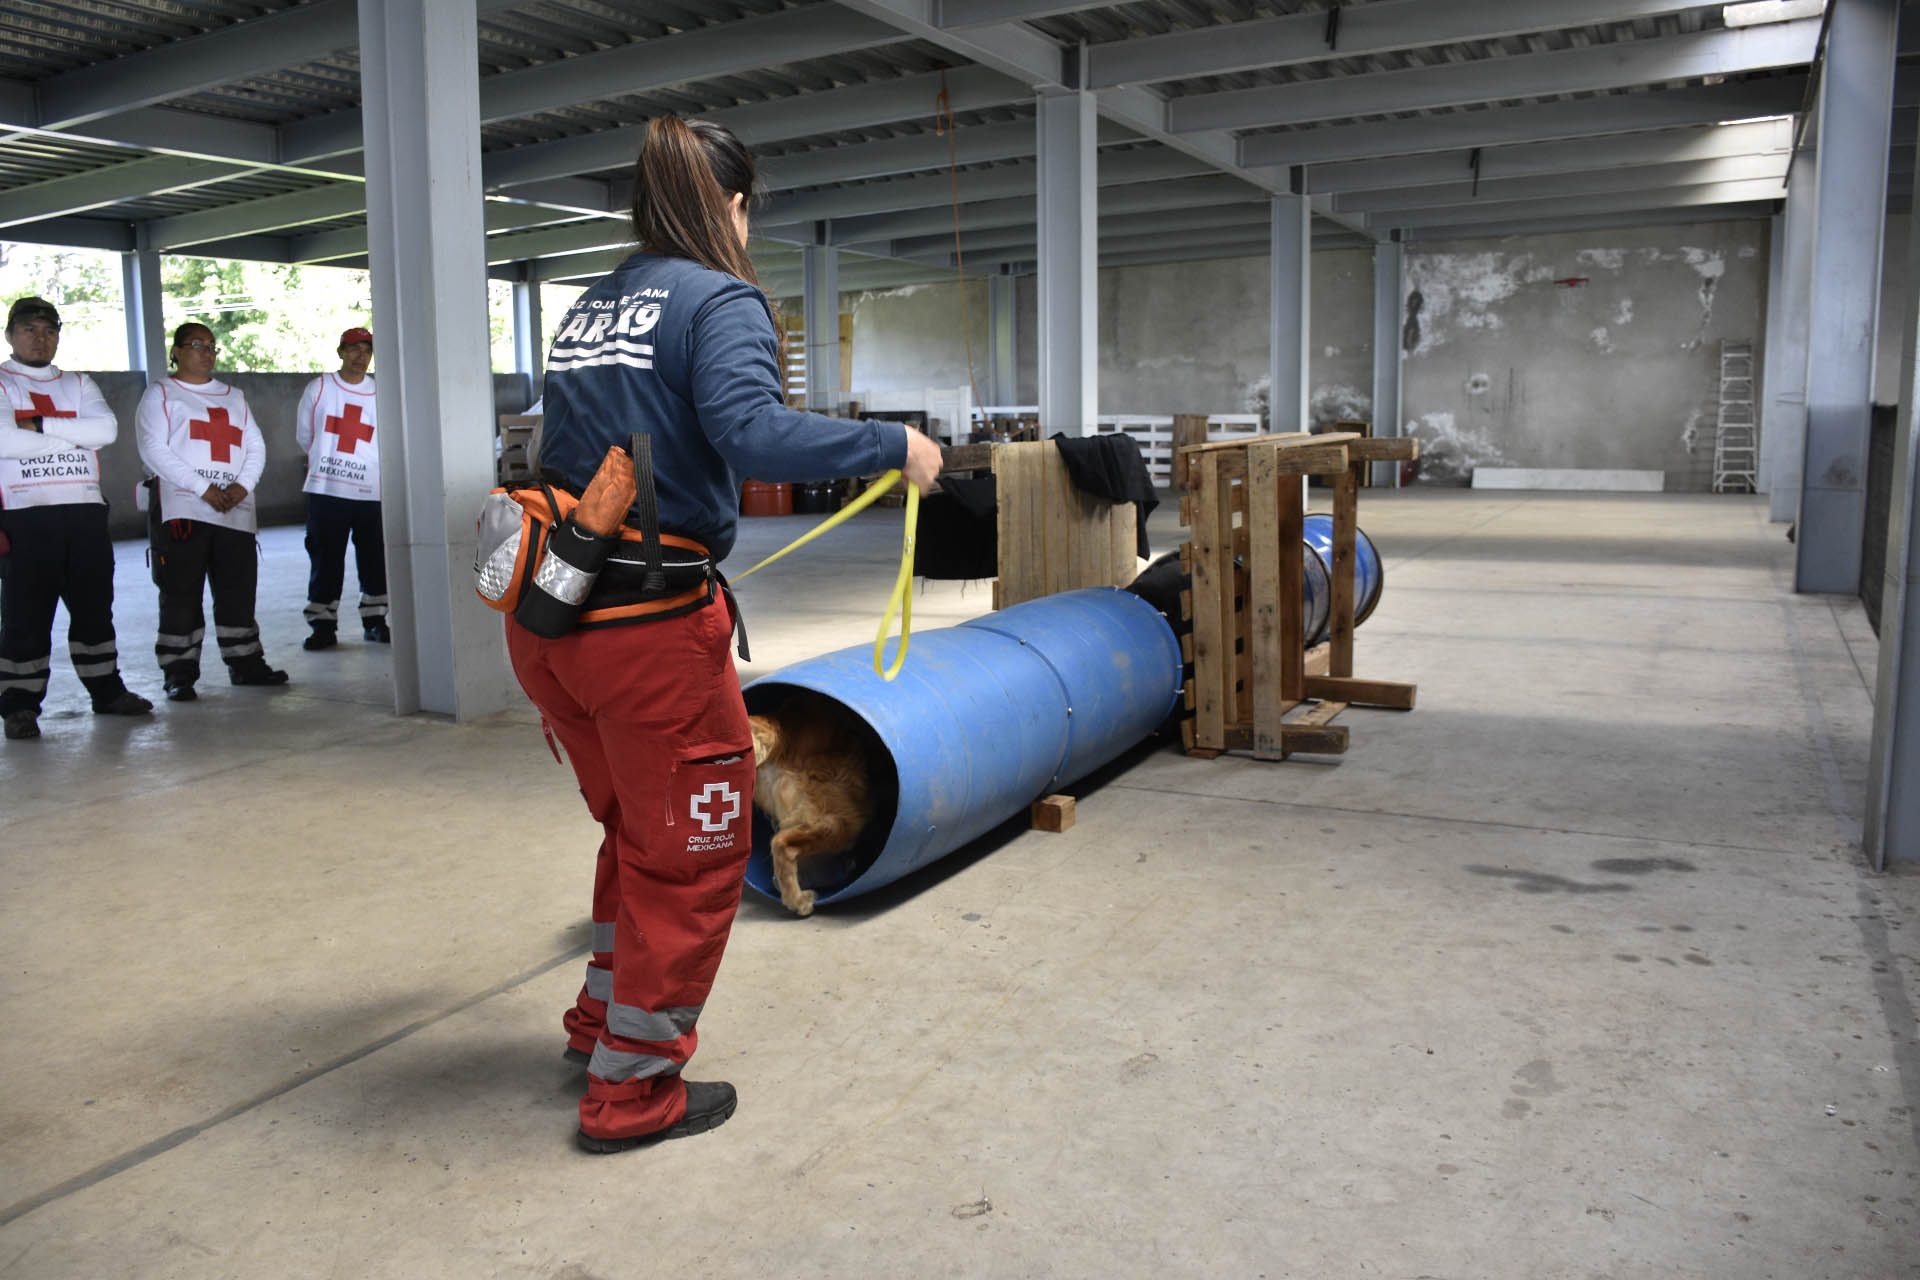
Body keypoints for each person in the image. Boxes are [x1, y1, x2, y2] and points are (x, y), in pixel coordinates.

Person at [509, 114, 942, 1154]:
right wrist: (896, 442)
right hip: (648, 629)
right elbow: (750, 432)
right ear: (734, 206)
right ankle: (633, 1092)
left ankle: (598, 1030)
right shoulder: (723, 297)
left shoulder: (591, 302)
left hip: (554, 608)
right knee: (698, 851)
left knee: (636, 834)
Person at [0, 296, 153, 740]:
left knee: (93, 610)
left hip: (85, 515)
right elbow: (5, 443)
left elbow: (105, 432)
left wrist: (39, 427)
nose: (40, 338)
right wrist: (72, 436)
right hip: (26, 516)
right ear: (10, 334)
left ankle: (106, 691)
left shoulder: (79, 383)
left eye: (49, 330)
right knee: (26, 615)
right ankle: (19, 705)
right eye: (29, 329)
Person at [136, 322, 288, 701]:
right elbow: (154, 449)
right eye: (196, 345)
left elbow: (255, 446)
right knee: (180, 594)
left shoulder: (235, 396)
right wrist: (204, 488)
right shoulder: (162, 394)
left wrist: (241, 486)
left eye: (211, 346)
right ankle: (179, 673)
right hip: (184, 509)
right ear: (176, 351)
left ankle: (246, 663)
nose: (205, 352)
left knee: (238, 591)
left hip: (234, 509)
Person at [294, 327, 388, 649]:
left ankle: (375, 619)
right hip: (328, 489)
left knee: (374, 557)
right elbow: (305, 436)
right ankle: (322, 625)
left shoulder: (379, 392)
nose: (360, 357)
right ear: (340, 351)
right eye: (354, 349)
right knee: (325, 558)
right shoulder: (319, 387)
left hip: (370, 492)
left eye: (367, 350)